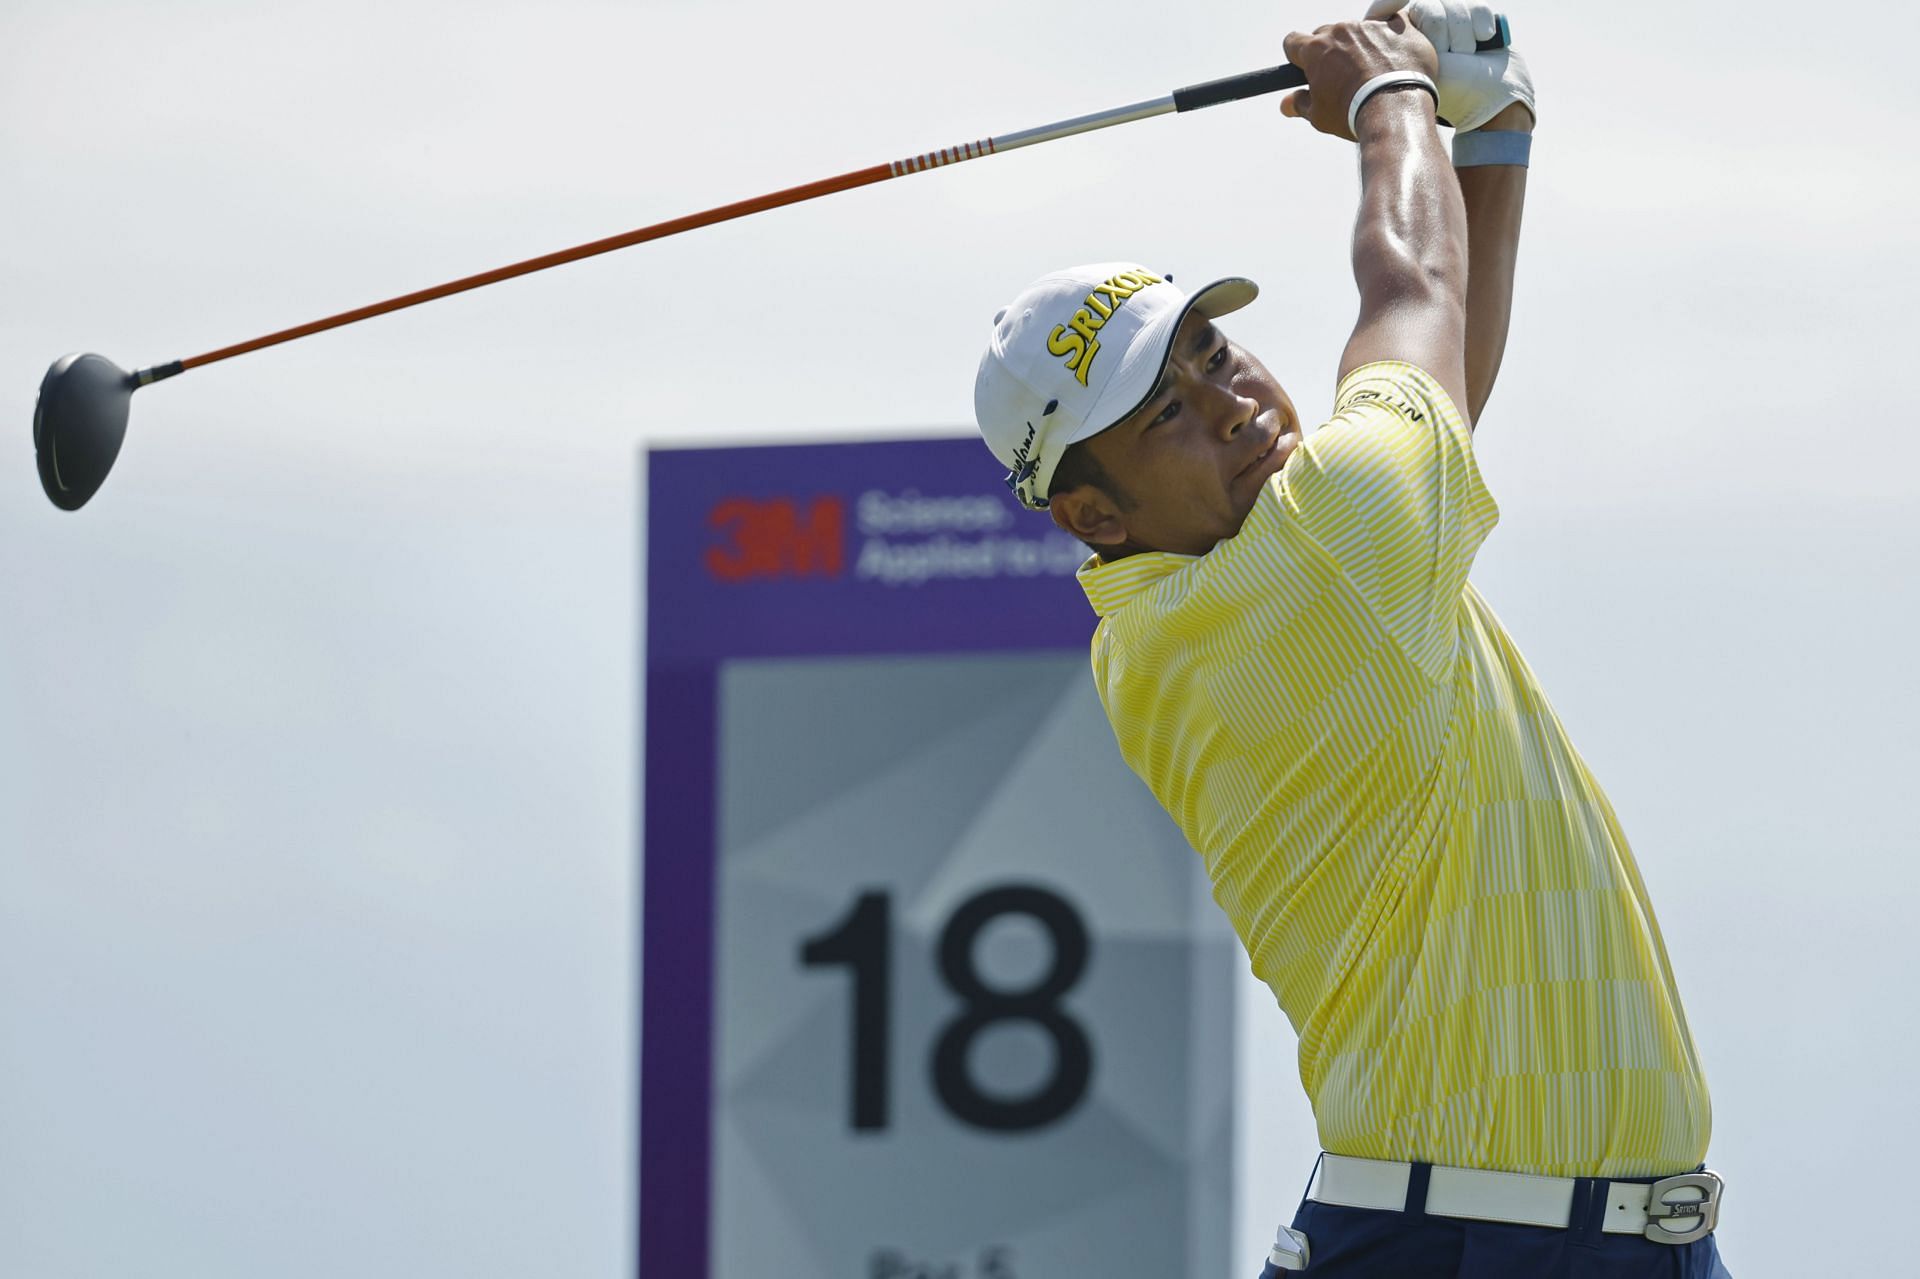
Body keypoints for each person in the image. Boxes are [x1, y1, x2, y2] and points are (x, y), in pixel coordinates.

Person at [970, 3, 1730, 1276]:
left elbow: (1439, 386)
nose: (1234, 403)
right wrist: (1392, 102)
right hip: (1460, 1246)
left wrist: (1490, 132)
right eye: (1166, 415)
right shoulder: (1318, 566)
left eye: (1214, 352)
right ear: (1091, 513)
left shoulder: (1270, 575)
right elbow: (1413, 290)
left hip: (1555, 1241)